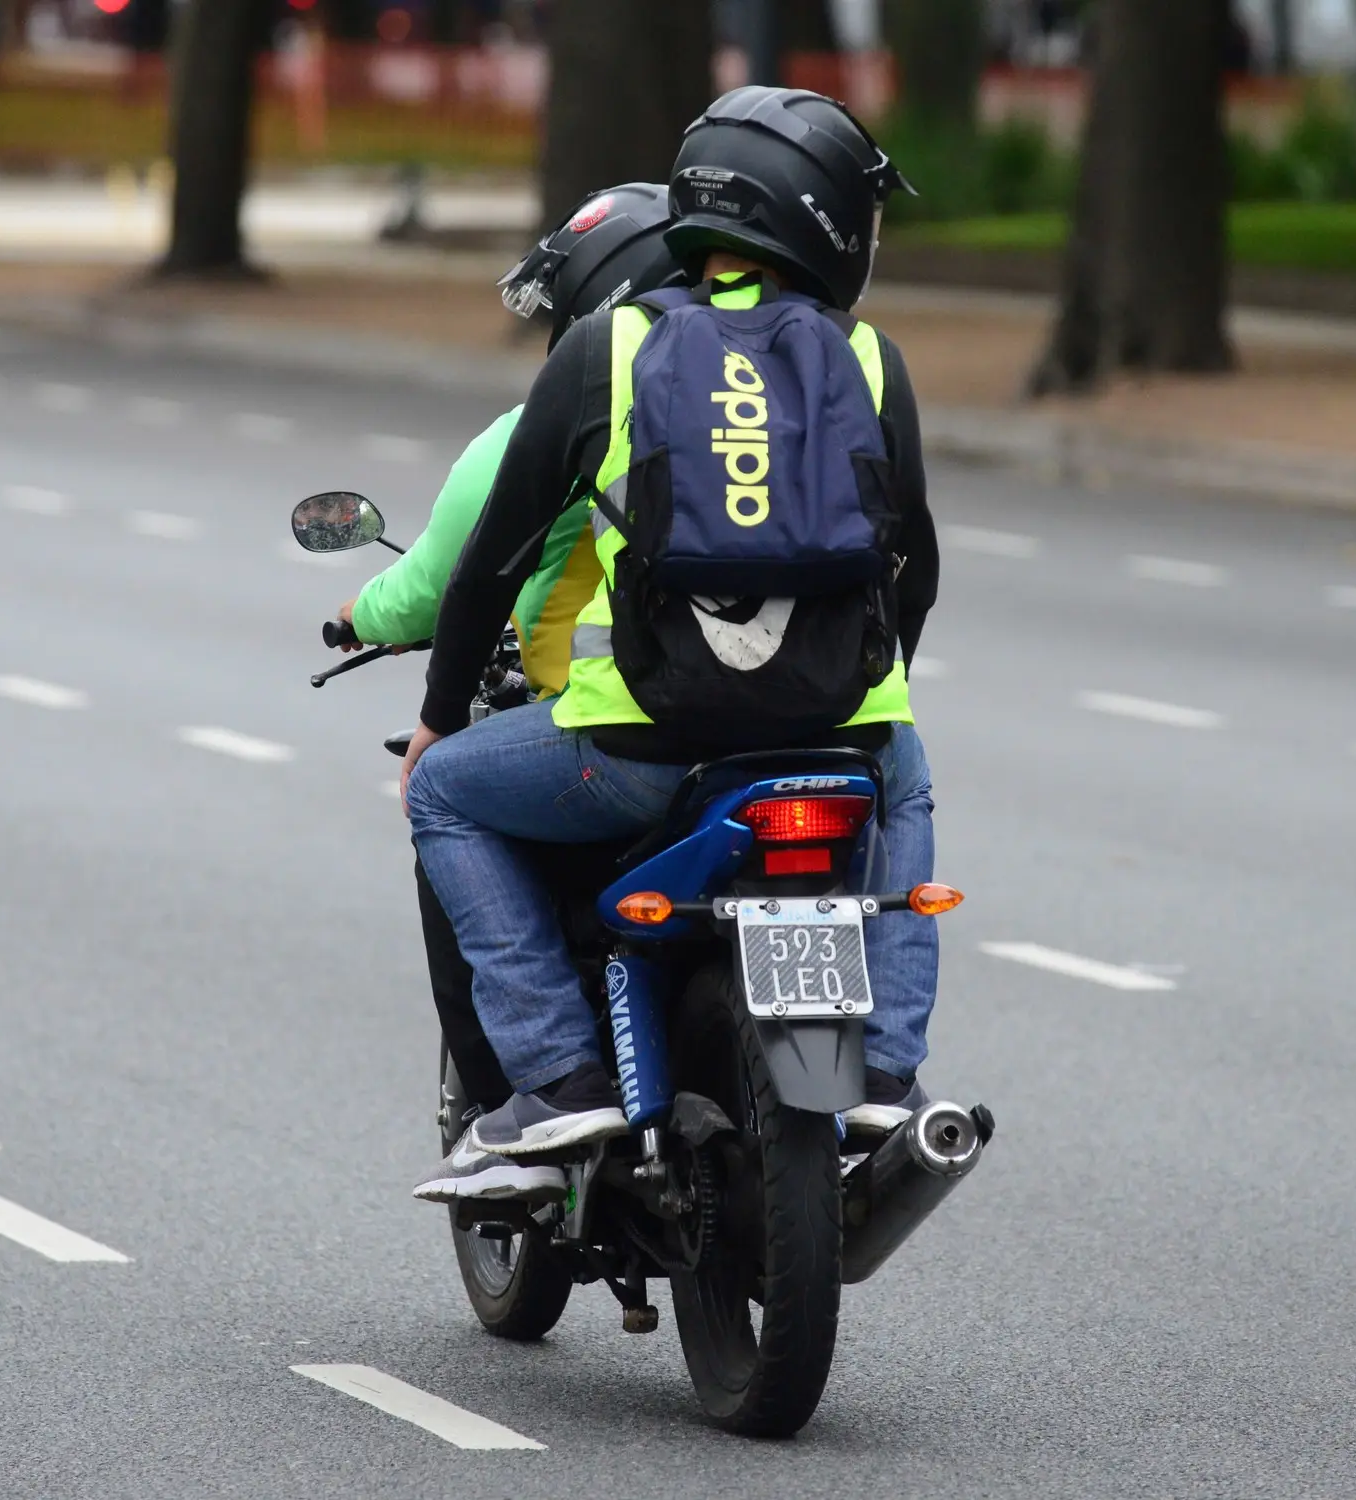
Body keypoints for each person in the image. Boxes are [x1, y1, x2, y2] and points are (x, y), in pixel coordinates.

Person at [402, 87, 943, 1192]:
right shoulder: (873, 361)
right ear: (819, 221)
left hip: (639, 753)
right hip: (841, 744)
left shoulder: (606, 347)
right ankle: (882, 1065)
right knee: (908, 776)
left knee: (444, 794)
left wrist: (434, 719)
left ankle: (558, 1078)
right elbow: (915, 568)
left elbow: (489, 566)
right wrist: (862, 696)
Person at [326, 184, 683, 1202]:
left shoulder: (544, 418)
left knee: (439, 790)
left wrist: (362, 621)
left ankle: (540, 1085)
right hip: (798, 722)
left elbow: (449, 579)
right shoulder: (790, 395)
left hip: (612, 723)